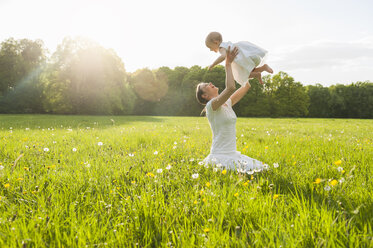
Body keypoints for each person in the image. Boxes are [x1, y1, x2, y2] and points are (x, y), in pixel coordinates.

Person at [196, 46, 267, 174]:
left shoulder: (227, 103)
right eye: (206, 85)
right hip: (220, 156)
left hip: (233, 154)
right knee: (255, 171)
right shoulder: (211, 106)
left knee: (263, 168)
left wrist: (239, 65)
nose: (210, 83)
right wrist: (227, 64)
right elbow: (230, 88)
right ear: (204, 96)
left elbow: (246, 85)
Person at [206, 31, 273, 85]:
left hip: (241, 59)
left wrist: (213, 64)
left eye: (210, 47)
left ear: (216, 42)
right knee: (250, 72)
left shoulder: (221, 48)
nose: (210, 50)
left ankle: (257, 74)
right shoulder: (226, 44)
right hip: (246, 55)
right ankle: (263, 68)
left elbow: (223, 56)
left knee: (243, 76)